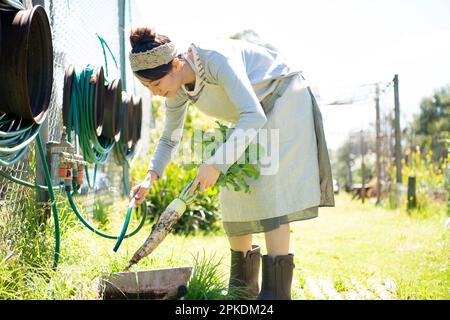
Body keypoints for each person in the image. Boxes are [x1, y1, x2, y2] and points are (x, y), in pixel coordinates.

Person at [128, 27, 335, 300]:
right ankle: (242, 291)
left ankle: (275, 295)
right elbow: (169, 139)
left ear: (175, 64)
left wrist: (216, 163)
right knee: (234, 191)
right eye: (148, 88)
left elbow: (253, 114)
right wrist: (150, 176)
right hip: (251, 117)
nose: (155, 93)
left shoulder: (214, 59)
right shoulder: (176, 90)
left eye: (156, 84)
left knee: (269, 191)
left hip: (283, 97)